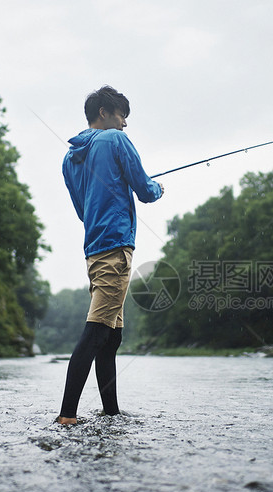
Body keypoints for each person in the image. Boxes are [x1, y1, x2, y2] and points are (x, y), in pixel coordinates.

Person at [56, 85, 164, 425]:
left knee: (111, 336)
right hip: (116, 246)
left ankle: (111, 412)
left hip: (94, 248)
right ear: (104, 112)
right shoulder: (114, 141)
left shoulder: (70, 158)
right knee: (96, 331)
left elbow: (82, 210)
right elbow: (145, 190)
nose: (125, 125)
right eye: (121, 116)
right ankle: (67, 416)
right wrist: (159, 188)